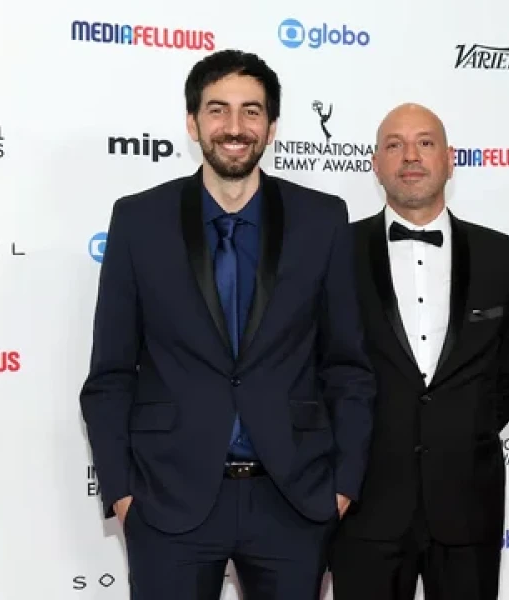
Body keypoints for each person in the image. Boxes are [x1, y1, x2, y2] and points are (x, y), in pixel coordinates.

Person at [79, 49, 375, 600]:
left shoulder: (322, 219)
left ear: (272, 127)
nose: (234, 127)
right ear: (192, 124)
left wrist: (342, 486)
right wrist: (122, 492)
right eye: (218, 110)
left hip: (293, 501)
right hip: (169, 500)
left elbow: (347, 366)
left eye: (251, 111)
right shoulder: (139, 219)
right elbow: (111, 372)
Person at [330, 103, 509, 600]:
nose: (411, 156)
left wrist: (459, 430)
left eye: (425, 142)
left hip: (468, 504)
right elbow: (319, 369)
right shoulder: (335, 253)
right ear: (375, 164)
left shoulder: (504, 257)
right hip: (364, 505)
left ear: (450, 158)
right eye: (394, 145)